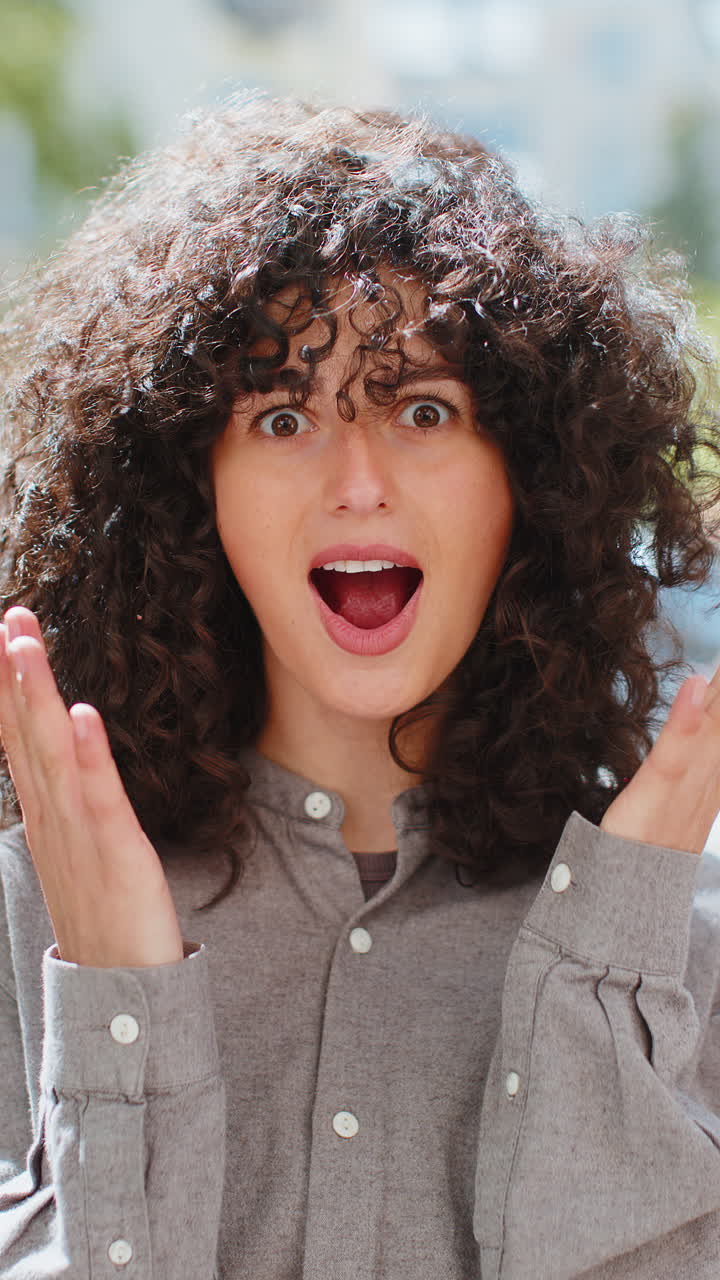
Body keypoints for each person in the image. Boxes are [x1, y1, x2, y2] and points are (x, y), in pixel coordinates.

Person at [0, 92, 719, 1280]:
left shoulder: (667, 937)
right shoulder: (37, 913)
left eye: (423, 409)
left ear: (529, 482)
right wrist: (120, 998)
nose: (359, 481)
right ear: (198, 491)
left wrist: (601, 986)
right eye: (283, 414)